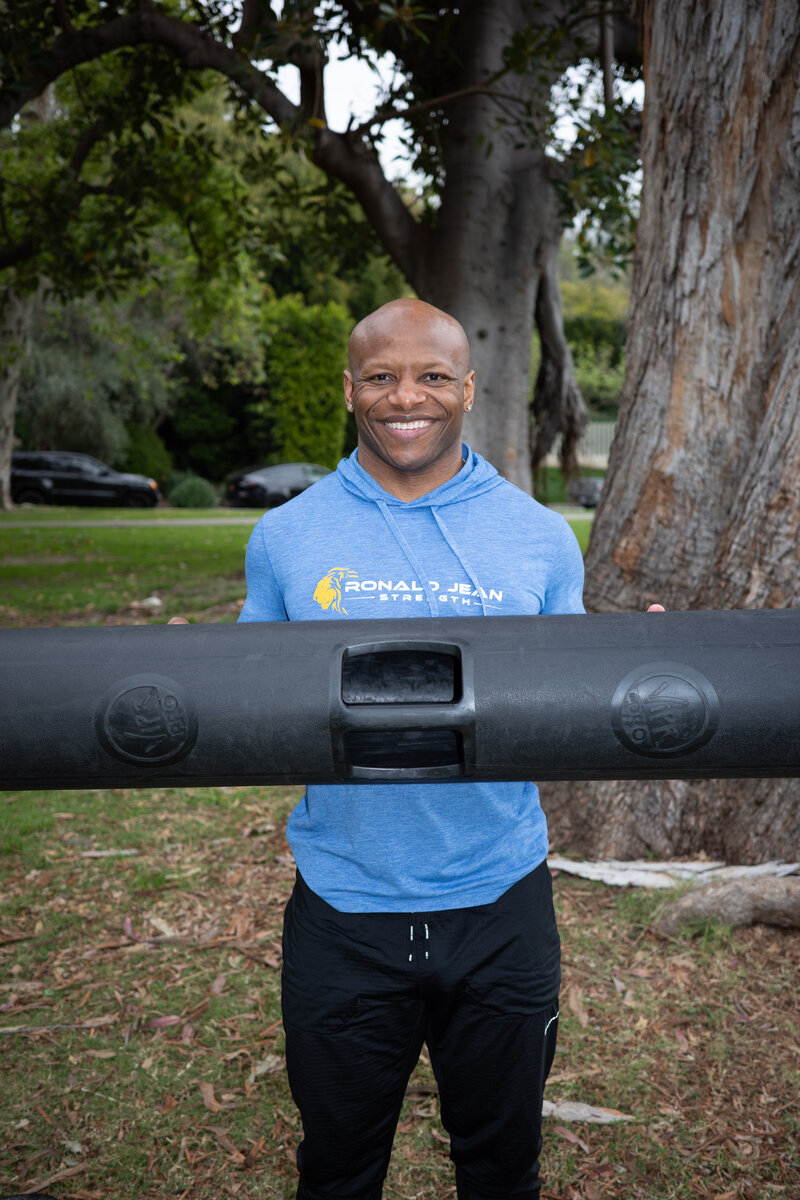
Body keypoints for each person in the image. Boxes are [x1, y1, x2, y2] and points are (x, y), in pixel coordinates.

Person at [233, 297, 594, 1200]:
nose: (408, 397)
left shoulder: (542, 538)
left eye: (432, 376)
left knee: (502, 1166)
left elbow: (578, 697)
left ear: (467, 389)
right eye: (383, 376)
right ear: (350, 387)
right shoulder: (285, 537)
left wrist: (648, 666)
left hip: (501, 904)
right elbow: (249, 704)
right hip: (343, 909)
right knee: (340, 1169)